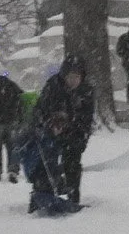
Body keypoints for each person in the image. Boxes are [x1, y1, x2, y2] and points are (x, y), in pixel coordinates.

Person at [29, 55, 95, 210]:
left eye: (77, 77)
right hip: (50, 133)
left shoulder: (86, 92)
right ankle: (42, 195)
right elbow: (41, 109)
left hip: (74, 134)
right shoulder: (53, 86)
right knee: (46, 164)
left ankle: (73, 196)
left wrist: (79, 135)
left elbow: (86, 118)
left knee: (72, 164)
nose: (73, 81)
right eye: (70, 77)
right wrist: (48, 124)